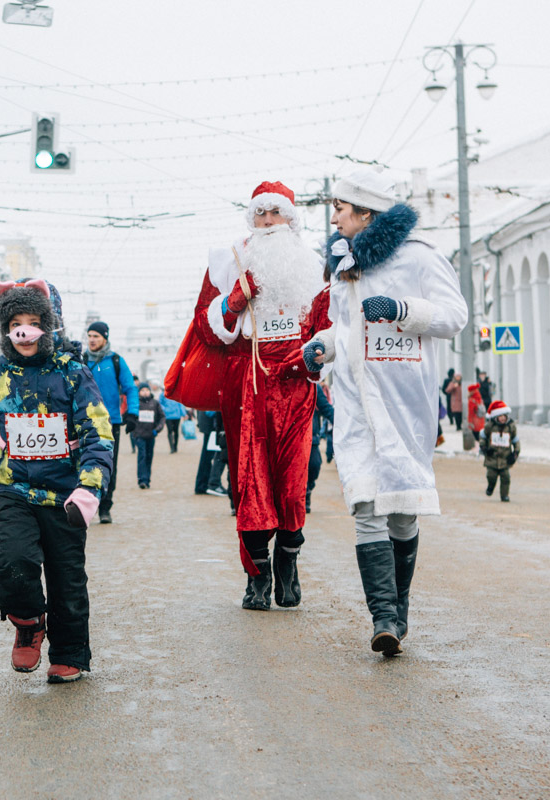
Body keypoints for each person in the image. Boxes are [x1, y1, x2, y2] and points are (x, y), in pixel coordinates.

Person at [303, 168, 468, 655]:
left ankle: (400, 609)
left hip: (404, 403)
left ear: (366, 214)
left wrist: (400, 309)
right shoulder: (343, 264)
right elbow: (344, 328)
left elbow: (454, 316)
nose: (333, 216)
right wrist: (322, 346)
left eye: (340, 208)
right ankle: (384, 619)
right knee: (367, 506)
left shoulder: (419, 257)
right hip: (356, 404)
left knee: (401, 513)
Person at [0, 279, 113, 684]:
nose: (24, 330)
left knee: (67, 579)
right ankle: (28, 621)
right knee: (14, 562)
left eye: (34, 321)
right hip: (15, 490)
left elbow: (98, 434)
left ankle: (69, 653)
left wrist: (89, 489)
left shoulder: (73, 374)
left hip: (66, 496)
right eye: (15, 321)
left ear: (51, 326)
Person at [199, 181, 331, 610]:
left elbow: (327, 332)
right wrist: (234, 301)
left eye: (276, 213)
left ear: (292, 220)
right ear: (251, 220)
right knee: (250, 486)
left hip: (295, 390)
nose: (269, 222)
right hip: (249, 390)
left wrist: (313, 360)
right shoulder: (230, 263)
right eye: (261, 214)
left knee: (293, 488)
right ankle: (256, 577)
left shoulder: (313, 269)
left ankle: (287, 565)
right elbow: (207, 329)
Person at [82, 320, 138, 524]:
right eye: (89, 336)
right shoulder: (80, 361)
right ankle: (85, 505)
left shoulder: (115, 361)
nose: (92, 340)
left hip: (110, 422)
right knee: (83, 464)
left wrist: (132, 413)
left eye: (96, 336)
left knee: (108, 466)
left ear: (105, 338)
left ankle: (105, 507)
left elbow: (130, 388)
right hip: (83, 422)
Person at [481, 400, 520, 502]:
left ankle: (504, 495)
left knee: (506, 478)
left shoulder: (510, 427)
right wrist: (484, 448)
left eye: (504, 416)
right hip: (492, 457)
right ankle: (490, 486)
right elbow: (483, 438)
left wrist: (515, 453)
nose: (502, 418)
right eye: (500, 416)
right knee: (491, 475)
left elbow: (516, 441)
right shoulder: (490, 426)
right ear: (495, 417)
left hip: (505, 458)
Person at [306, 383, 335, 514]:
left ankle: (308, 490)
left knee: (314, 465)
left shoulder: (313, 387)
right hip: (288, 438)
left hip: (311, 438)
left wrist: (342, 423)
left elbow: (327, 409)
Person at [131, 382, 165, 489]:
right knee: (142, 456)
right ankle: (142, 479)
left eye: (146, 390)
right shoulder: (136, 403)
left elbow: (162, 417)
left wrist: (157, 429)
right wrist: (134, 429)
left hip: (151, 435)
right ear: (139, 392)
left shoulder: (155, 403)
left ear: (150, 391)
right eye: (142, 390)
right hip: (139, 435)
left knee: (149, 457)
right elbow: (131, 417)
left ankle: (147, 479)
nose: (145, 392)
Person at [158, 387, 186, 453]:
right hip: (168, 416)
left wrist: (183, 413)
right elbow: (160, 403)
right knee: (170, 431)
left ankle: (175, 446)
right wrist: (165, 409)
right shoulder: (163, 394)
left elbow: (181, 403)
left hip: (177, 415)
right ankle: (172, 447)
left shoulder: (178, 393)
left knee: (176, 431)